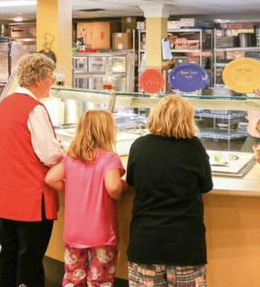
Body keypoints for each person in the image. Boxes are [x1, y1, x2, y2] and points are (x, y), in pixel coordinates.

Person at [0, 53, 63, 287]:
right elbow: (49, 154)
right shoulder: (34, 109)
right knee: (29, 257)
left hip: (6, 194)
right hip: (31, 197)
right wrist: (62, 150)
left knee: (8, 251)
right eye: (51, 77)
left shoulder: (5, 104)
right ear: (39, 79)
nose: (52, 81)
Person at [126, 95, 213, 287]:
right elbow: (206, 186)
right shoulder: (195, 148)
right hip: (185, 244)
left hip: (145, 241)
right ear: (187, 119)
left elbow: (131, 181)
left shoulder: (140, 146)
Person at [45, 109, 125, 287]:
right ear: (107, 131)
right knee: (100, 280)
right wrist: (122, 187)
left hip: (74, 233)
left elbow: (50, 178)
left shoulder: (71, 158)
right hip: (101, 234)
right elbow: (113, 188)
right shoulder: (110, 159)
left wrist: (71, 187)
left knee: (73, 278)